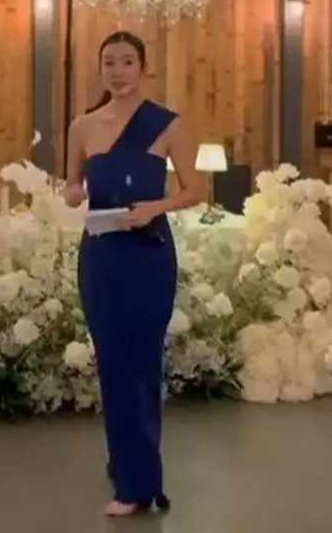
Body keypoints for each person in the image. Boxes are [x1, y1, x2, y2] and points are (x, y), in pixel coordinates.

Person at [64, 30, 204, 518]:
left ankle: (139, 484)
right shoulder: (82, 127)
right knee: (112, 362)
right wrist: (73, 194)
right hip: (101, 256)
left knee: (142, 363)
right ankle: (126, 466)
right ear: (100, 68)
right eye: (110, 62)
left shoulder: (166, 124)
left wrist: (154, 208)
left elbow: (196, 190)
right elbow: (71, 185)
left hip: (147, 253)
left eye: (127, 61)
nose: (118, 71)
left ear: (143, 68)